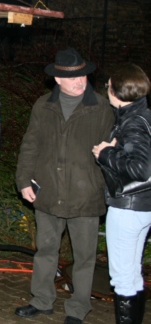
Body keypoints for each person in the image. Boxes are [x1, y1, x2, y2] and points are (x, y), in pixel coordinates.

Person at [15, 48, 114, 324]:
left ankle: (78, 308)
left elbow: (111, 152)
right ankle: (42, 300)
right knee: (46, 250)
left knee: (84, 257)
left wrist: (102, 183)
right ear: (58, 79)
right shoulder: (43, 105)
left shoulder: (101, 107)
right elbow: (30, 145)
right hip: (48, 191)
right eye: (72, 77)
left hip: (86, 193)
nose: (79, 81)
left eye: (82, 75)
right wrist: (23, 180)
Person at [91, 64, 151, 324]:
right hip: (142, 206)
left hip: (129, 207)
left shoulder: (133, 122)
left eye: (108, 86)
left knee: (122, 278)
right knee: (133, 274)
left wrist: (105, 153)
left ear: (115, 92)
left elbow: (140, 168)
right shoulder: (141, 114)